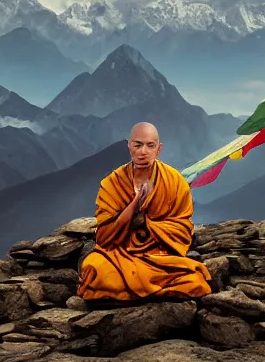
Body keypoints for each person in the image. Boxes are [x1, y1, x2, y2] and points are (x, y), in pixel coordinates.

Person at [77, 122, 213, 301]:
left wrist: (147, 223)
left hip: (160, 257)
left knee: (195, 280)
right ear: (129, 146)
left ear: (159, 148)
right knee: (93, 267)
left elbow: (182, 229)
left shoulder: (175, 182)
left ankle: (133, 293)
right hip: (120, 255)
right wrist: (134, 205)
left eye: (150, 145)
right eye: (138, 145)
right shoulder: (112, 184)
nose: (143, 152)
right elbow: (104, 236)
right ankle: (156, 292)